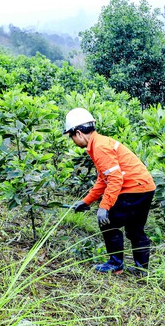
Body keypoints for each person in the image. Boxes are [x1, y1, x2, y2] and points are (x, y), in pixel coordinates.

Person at [64, 107, 156, 275]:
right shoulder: (99, 143)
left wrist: (104, 207)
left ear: (78, 133)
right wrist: (87, 201)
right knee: (135, 230)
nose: (73, 141)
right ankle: (141, 270)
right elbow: (103, 179)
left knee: (108, 221)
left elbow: (115, 179)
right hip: (145, 187)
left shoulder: (99, 147)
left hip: (134, 189)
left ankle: (116, 264)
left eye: (71, 137)